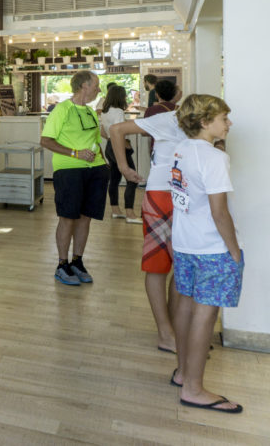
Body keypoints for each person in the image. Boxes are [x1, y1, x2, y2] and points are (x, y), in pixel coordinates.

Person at [167, 95, 243, 413]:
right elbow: (220, 213)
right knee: (205, 314)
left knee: (186, 305)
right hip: (212, 247)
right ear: (204, 121)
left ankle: (184, 372)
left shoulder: (181, 149)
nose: (229, 123)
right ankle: (194, 389)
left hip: (184, 243)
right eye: (223, 118)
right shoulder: (213, 158)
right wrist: (235, 251)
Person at [109, 109, 187, 354]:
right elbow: (116, 129)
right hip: (161, 196)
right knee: (158, 265)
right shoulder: (170, 118)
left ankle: (176, 331)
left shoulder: (199, 124)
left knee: (183, 264)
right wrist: (123, 167)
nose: (227, 123)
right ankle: (166, 333)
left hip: (187, 198)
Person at [40, 70, 109, 286]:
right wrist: (75, 153)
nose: (99, 89)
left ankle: (77, 261)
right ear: (84, 86)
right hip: (69, 170)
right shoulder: (62, 109)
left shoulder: (90, 112)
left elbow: (96, 142)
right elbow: (46, 140)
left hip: (96, 170)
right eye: (96, 84)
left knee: (85, 217)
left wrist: (105, 164)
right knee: (68, 217)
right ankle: (62, 264)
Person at [99, 84, 138, 222]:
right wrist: (126, 144)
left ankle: (115, 210)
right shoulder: (118, 112)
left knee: (114, 179)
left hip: (109, 146)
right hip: (119, 146)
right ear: (120, 96)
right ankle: (130, 214)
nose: (126, 97)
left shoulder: (105, 111)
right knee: (132, 179)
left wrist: (111, 139)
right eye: (125, 95)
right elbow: (120, 132)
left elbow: (103, 132)